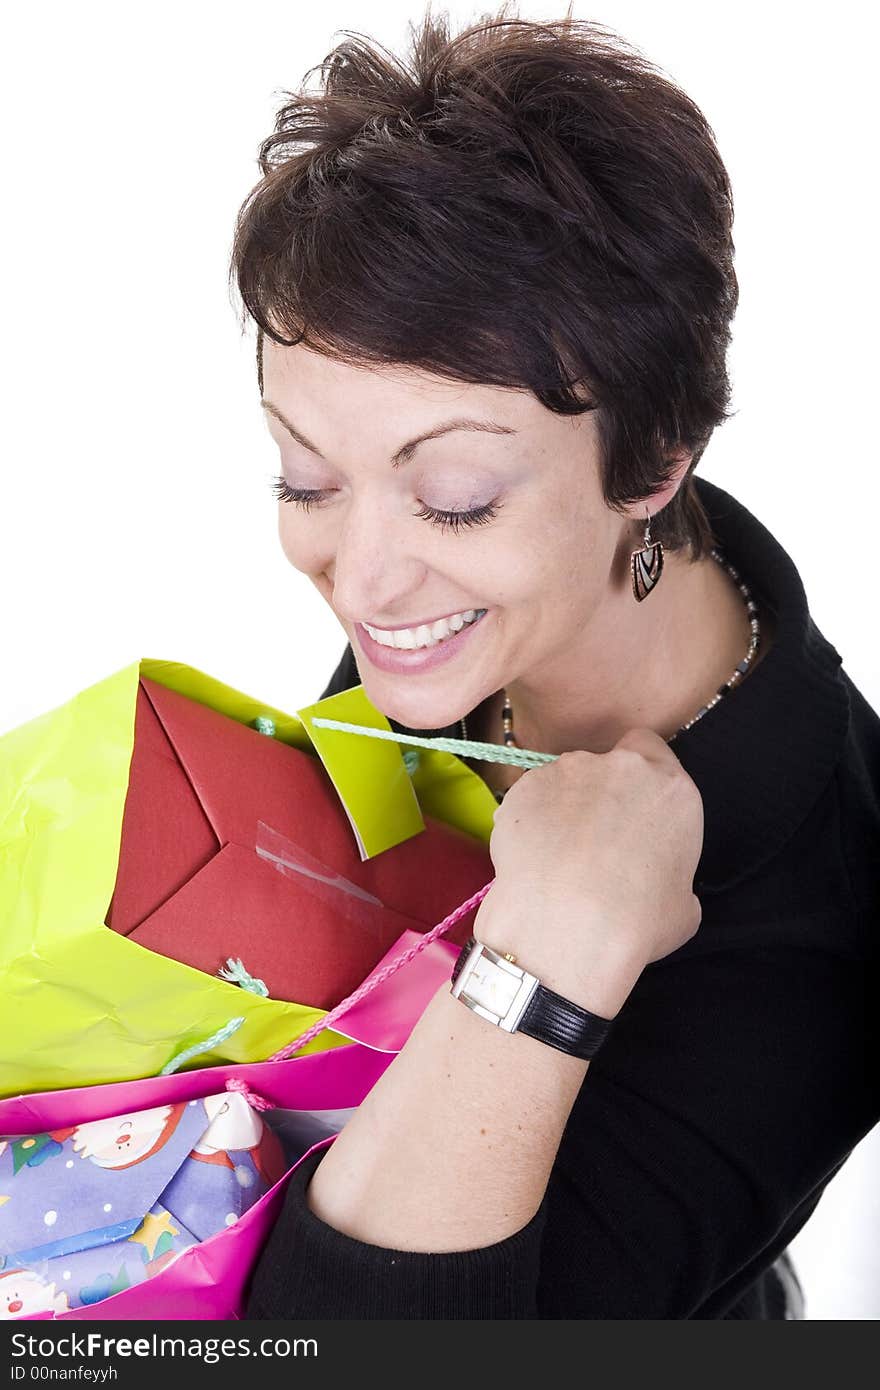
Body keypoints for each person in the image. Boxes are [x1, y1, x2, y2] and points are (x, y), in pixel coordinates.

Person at [231, 6, 880, 1318]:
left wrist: (547, 970)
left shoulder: (835, 916)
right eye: (307, 474)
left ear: (651, 463)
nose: (358, 578)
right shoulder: (477, 613)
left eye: (455, 494)